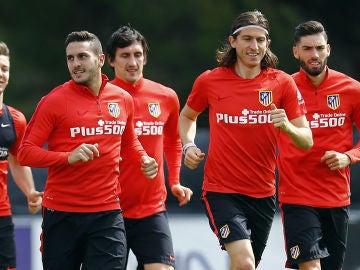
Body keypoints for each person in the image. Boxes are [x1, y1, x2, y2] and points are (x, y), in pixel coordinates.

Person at [179, 10, 313, 270]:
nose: (254, 46)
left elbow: (307, 140)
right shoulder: (210, 80)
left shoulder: (282, 83)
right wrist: (189, 145)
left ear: (268, 44)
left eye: (260, 40)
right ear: (233, 41)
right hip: (221, 191)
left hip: (263, 193)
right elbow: (187, 116)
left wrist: (287, 126)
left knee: (245, 265)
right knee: (245, 262)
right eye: (247, 39)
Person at [17, 31, 158, 270]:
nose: (75, 64)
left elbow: (129, 141)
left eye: (82, 56)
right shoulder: (53, 101)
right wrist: (66, 157)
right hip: (62, 215)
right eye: (70, 58)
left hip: (107, 213)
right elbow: (25, 153)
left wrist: (144, 158)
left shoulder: (123, 99)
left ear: (101, 60)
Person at [106, 25, 193, 270]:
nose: (132, 62)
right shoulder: (101, 99)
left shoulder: (166, 96)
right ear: (111, 60)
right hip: (109, 210)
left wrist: (174, 181)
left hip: (151, 208)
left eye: (137, 54)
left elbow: (173, 140)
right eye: (125, 55)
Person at [277, 20, 360, 270]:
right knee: (311, 266)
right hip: (296, 195)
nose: (314, 55)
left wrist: (349, 156)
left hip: (336, 197)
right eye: (307, 49)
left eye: (319, 48)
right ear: (296, 52)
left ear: (328, 50)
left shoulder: (351, 89)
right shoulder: (284, 88)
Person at [0, 41, 43, 270]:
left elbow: (17, 160)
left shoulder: (15, 119)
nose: (0, 74)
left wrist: (30, 192)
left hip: (2, 217)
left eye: (4, 68)